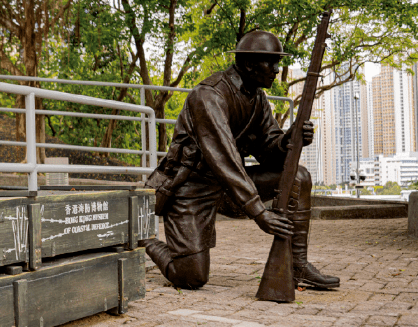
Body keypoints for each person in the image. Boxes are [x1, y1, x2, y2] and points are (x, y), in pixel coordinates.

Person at [143, 30, 340, 291]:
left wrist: (288, 140)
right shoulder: (209, 96)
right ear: (248, 64)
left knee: (298, 176)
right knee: (191, 277)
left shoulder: (257, 98)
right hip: (191, 188)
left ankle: (297, 264)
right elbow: (224, 159)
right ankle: (144, 239)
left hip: (228, 188)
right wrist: (258, 212)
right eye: (270, 62)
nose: (275, 69)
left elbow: (268, 150)